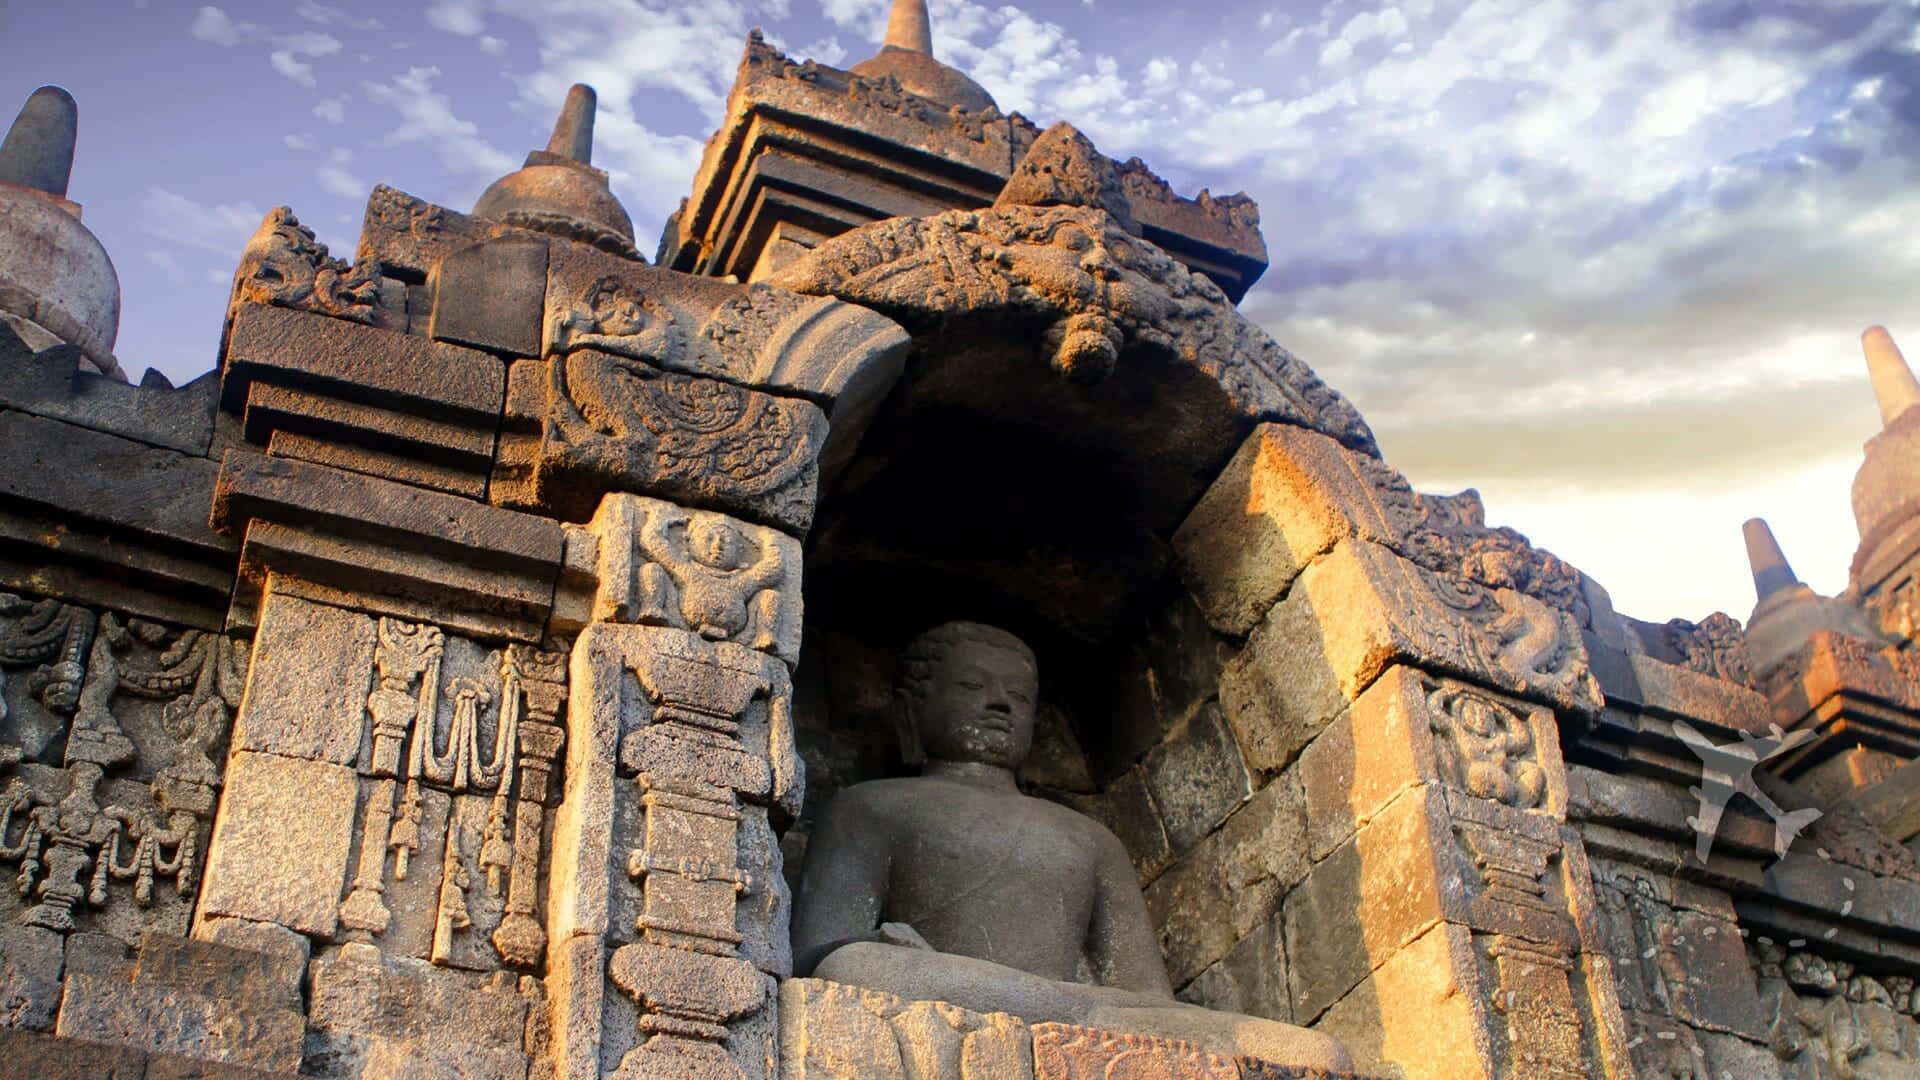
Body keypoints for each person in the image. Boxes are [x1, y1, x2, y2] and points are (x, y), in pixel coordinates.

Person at [791, 621, 1352, 1069]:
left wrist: (1069, 1005)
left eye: (1018, 695)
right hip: (945, 982)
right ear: (911, 709)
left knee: (1320, 1052)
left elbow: (1144, 997)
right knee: (857, 967)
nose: (999, 705)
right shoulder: (869, 807)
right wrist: (899, 960)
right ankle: (1055, 1006)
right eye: (971, 687)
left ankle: (1055, 1007)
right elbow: (823, 954)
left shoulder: (1089, 838)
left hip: (1088, 1008)